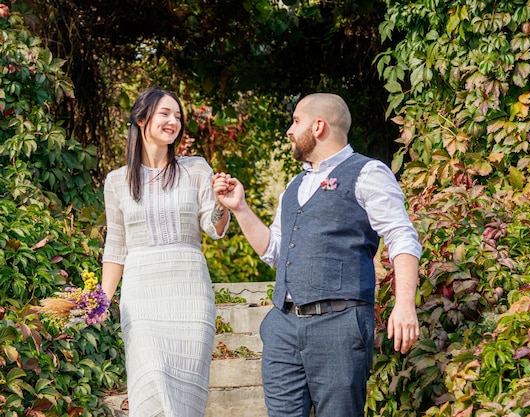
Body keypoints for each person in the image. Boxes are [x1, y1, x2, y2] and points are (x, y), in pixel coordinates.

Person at [213, 92, 422, 417]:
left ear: (319, 126)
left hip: (339, 326)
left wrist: (405, 304)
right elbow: (275, 251)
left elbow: (401, 236)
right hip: (283, 328)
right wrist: (239, 208)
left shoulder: (368, 173)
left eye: (296, 121)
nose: (290, 131)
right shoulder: (294, 187)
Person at [100, 87, 229, 417]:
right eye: (165, 113)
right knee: (150, 380)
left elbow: (213, 228)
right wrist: (101, 301)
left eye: (178, 116)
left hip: (190, 293)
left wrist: (221, 204)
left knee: (185, 397)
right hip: (142, 295)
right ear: (142, 119)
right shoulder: (116, 181)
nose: (174, 121)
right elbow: (116, 247)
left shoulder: (196, 169)